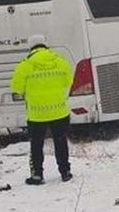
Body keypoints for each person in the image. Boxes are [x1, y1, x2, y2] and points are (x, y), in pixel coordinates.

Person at [10, 35, 74, 185]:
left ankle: (37, 175)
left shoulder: (24, 66)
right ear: (46, 45)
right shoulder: (60, 62)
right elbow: (68, 81)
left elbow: (16, 88)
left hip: (37, 114)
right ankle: (65, 172)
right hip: (59, 111)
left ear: (31, 47)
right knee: (60, 141)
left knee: (36, 144)